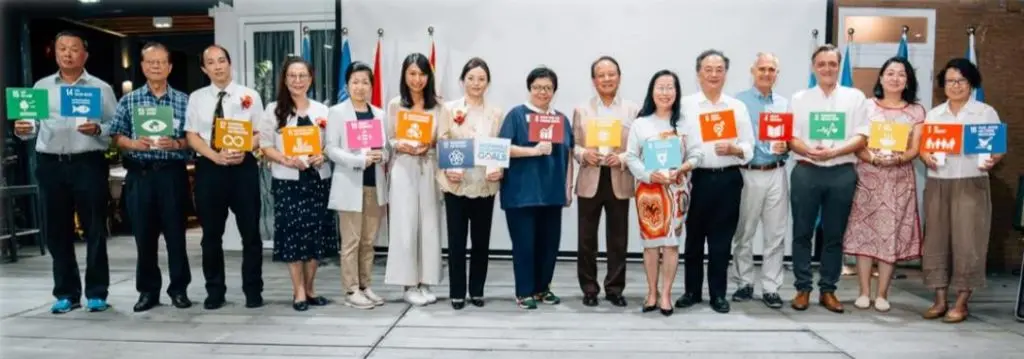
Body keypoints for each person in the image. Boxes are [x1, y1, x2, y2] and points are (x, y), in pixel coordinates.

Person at [13, 30, 118, 314]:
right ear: (55, 53)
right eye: (62, 49)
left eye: (73, 49)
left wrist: (98, 128)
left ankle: (96, 293)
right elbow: (32, 125)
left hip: (88, 162)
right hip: (50, 163)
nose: (68, 53)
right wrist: (23, 129)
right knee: (57, 231)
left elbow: (116, 126)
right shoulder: (41, 87)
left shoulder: (101, 88)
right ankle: (66, 293)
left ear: (85, 54)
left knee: (95, 229)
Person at [919, 58, 1004, 323]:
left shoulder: (985, 113)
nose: (955, 86)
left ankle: (962, 302)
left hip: (971, 182)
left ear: (971, 83)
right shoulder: (934, 115)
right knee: (936, 240)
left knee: (969, 241)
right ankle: (940, 299)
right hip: (938, 182)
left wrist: (994, 158)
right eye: (950, 81)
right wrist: (925, 156)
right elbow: (923, 146)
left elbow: (997, 147)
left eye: (961, 81)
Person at [110, 42, 193, 312]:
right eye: (150, 62)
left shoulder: (184, 100)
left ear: (169, 67)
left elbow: (195, 140)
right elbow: (116, 135)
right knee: (144, 237)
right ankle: (147, 292)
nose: (156, 66)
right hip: (140, 175)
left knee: (176, 237)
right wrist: (133, 144)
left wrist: (177, 145)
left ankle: (179, 290)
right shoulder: (128, 100)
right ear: (143, 67)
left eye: (161, 62)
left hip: (172, 175)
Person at [788, 44, 868, 314]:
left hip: (841, 172)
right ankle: (802, 288)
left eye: (832, 63)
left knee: (834, 235)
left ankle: (829, 290)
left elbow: (861, 135)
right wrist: (807, 149)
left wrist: (835, 151)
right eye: (821, 64)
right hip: (807, 170)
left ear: (839, 66)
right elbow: (792, 137)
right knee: (802, 233)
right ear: (813, 67)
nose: (827, 69)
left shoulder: (855, 97)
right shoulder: (799, 98)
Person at [184, 44, 265, 310]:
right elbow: (192, 135)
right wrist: (214, 156)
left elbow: (260, 133)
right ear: (204, 68)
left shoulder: (250, 95)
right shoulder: (196, 98)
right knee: (211, 235)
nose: (218, 66)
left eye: (222, 60)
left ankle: (253, 290)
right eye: (211, 62)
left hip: (243, 168)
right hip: (210, 168)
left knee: (251, 234)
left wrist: (243, 148)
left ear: (230, 63)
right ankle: (214, 291)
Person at [676, 49, 755, 314]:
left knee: (722, 241)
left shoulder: (736, 107)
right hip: (696, 179)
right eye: (708, 69)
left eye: (719, 69)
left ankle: (718, 294)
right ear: (698, 73)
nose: (713, 74)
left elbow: (749, 147)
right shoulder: (685, 105)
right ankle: (691, 291)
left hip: (728, 179)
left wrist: (734, 150)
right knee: (694, 239)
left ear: (726, 74)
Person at [843, 57, 925, 312]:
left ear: (907, 80)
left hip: (899, 180)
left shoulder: (916, 111)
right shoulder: (866, 107)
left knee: (890, 235)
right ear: (880, 78)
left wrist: (899, 158)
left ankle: (882, 294)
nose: (895, 78)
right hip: (868, 177)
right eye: (890, 73)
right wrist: (874, 158)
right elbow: (857, 143)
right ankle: (864, 292)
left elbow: (916, 147)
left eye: (901, 74)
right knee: (865, 233)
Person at [258, 57, 336, 311]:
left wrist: (322, 154)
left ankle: (311, 288)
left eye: (303, 75)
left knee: (315, 235)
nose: (298, 80)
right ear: (284, 79)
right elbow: (265, 146)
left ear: (311, 79)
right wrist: (285, 159)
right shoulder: (273, 110)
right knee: (292, 235)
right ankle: (298, 291)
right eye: (292, 75)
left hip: (317, 179)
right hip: (287, 181)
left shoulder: (322, 111)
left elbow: (331, 144)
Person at [624, 70, 702, 316]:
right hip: (649, 191)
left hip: (677, 191)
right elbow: (631, 157)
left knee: (670, 244)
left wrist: (684, 167)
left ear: (677, 92)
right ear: (652, 91)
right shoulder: (641, 123)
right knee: (650, 244)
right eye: (661, 87)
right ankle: (651, 292)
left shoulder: (685, 122)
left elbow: (697, 154)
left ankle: (666, 294)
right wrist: (648, 175)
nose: (665, 92)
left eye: (670, 87)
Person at [498, 66, 574, 310]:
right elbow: (502, 149)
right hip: (522, 194)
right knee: (524, 244)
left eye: (548, 88)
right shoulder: (516, 116)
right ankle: (524, 292)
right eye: (538, 87)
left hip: (552, 194)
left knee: (549, 244)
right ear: (530, 88)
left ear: (554, 91)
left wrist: (568, 186)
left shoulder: (560, 119)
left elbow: (569, 153)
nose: (543, 92)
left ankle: (543, 288)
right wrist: (532, 150)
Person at [437, 57, 504, 310]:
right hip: (456, 183)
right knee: (456, 241)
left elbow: (499, 145)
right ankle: (457, 292)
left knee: (481, 241)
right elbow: (442, 140)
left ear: (488, 83)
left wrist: (499, 170)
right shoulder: (449, 108)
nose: (476, 83)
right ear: (462, 80)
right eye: (471, 78)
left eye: (481, 79)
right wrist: (448, 167)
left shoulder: (496, 112)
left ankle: (477, 290)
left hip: (485, 185)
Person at [571, 56, 638, 307]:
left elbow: (637, 146)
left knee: (618, 239)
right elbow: (574, 145)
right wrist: (583, 154)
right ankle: (589, 288)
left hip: (619, 177)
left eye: (612, 74)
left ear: (619, 77)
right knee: (586, 239)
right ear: (594, 80)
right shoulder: (581, 110)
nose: (607, 79)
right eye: (602, 75)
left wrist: (621, 158)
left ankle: (614, 288)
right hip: (590, 178)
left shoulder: (632, 109)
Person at [384, 53, 447, 306]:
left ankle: (426, 281)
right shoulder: (395, 104)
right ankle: (408, 283)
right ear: (404, 75)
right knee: (405, 224)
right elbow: (388, 138)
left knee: (430, 224)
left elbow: (443, 137)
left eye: (422, 74)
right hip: (404, 166)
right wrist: (402, 144)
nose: (417, 79)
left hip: (429, 165)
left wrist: (430, 142)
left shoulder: (438, 105)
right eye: (412, 73)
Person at [326, 61, 388, 309]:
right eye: (355, 82)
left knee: (368, 240)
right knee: (350, 241)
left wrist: (381, 155)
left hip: (375, 184)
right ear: (347, 85)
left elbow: (386, 148)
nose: (360, 87)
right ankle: (351, 290)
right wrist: (360, 160)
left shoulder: (379, 114)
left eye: (365, 82)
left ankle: (365, 285)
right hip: (350, 184)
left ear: (371, 86)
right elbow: (330, 149)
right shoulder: (338, 113)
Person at [730, 52, 790, 309]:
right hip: (747, 172)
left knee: (775, 234)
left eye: (771, 69)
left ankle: (771, 287)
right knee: (744, 232)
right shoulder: (737, 102)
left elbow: (788, 139)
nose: (767, 73)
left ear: (777, 74)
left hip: (777, 171)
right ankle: (744, 282)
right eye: (762, 69)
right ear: (752, 71)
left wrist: (785, 146)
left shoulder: (784, 104)